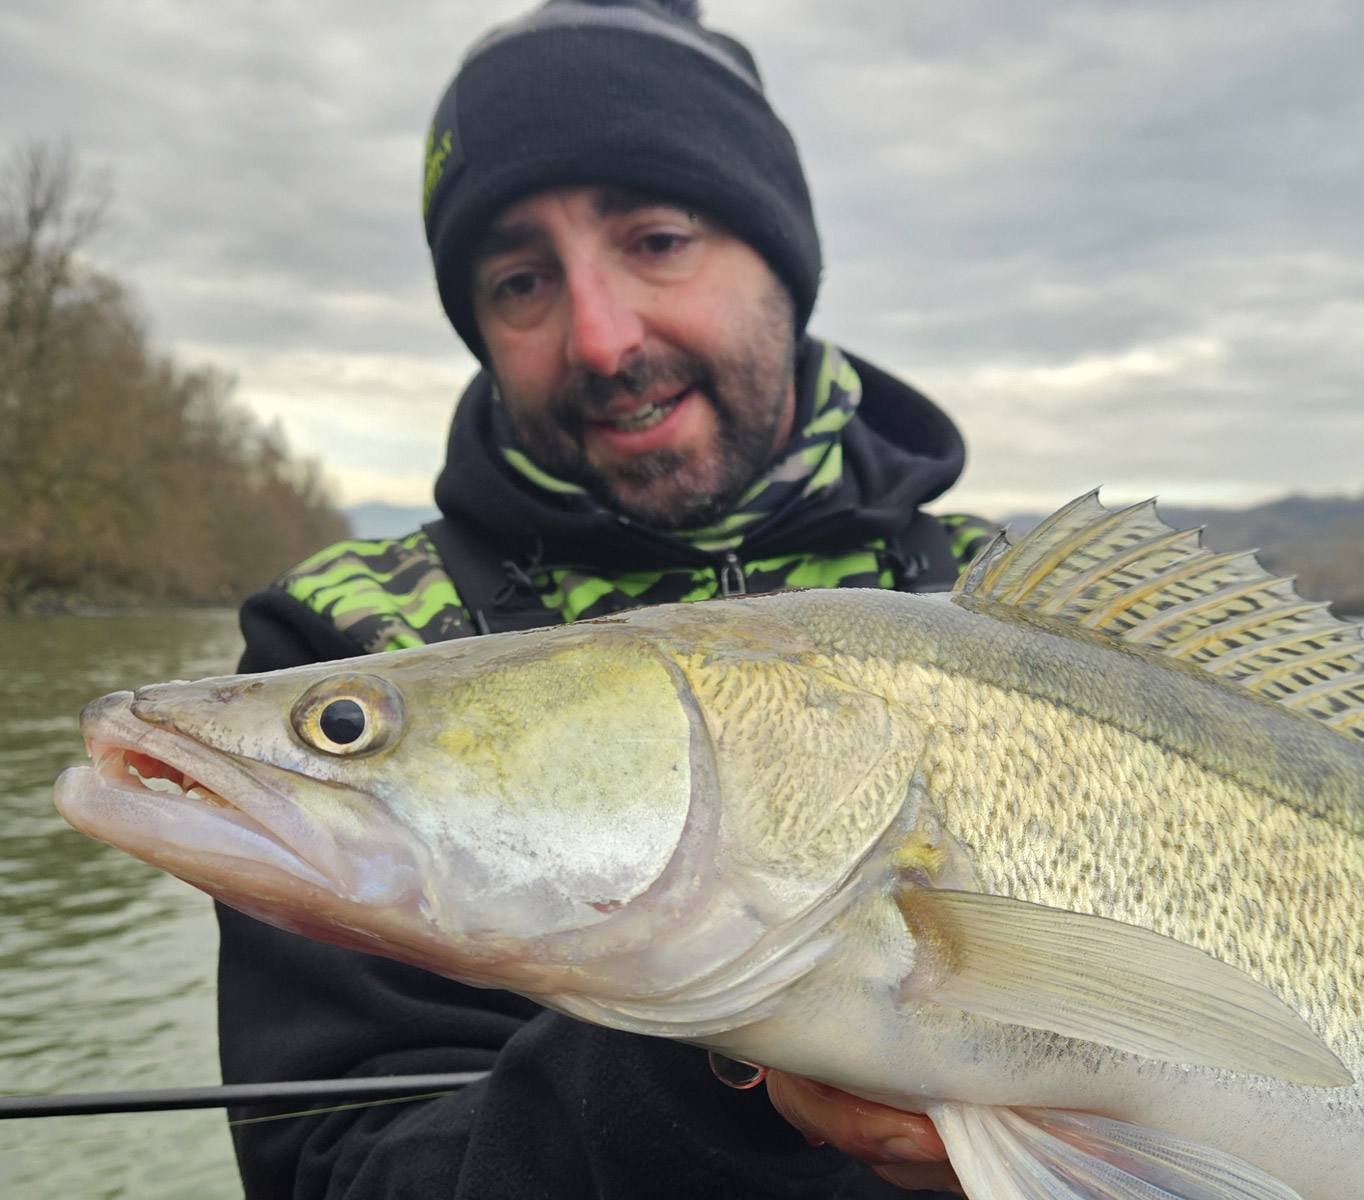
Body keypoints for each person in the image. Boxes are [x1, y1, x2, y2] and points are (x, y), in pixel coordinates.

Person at [219, 2, 996, 1196]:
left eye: (659, 237)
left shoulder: (1002, 605)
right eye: (521, 280)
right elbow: (340, 1172)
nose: (598, 336)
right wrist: (721, 1061)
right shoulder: (352, 633)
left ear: (781, 257)